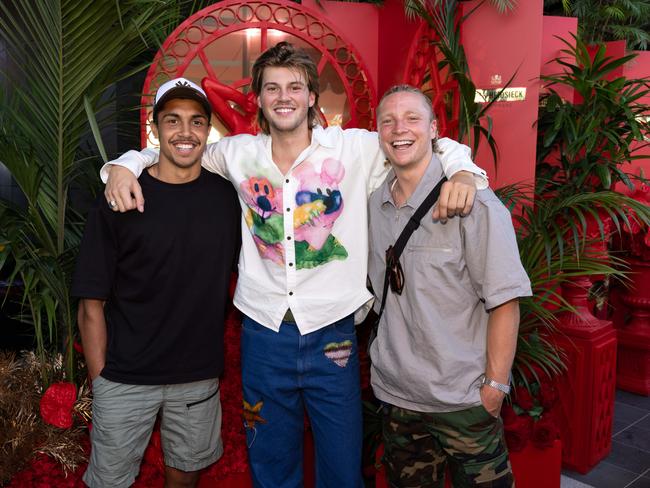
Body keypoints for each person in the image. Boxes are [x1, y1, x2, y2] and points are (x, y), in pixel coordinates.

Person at [101, 42, 488, 488]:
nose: (284, 96)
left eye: (295, 87)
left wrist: (462, 173)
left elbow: (427, 144)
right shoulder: (236, 153)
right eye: (272, 88)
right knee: (271, 463)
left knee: (343, 469)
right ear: (260, 99)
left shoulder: (354, 150)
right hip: (264, 334)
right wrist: (125, 165)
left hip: (334, 334)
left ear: (310, 98)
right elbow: (175, 151)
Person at [72, 78, 240, 488]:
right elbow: (89, 303)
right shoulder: (121, 196)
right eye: (173, 120)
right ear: (155, 129)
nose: (185, 132)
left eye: (197, 121)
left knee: (185, 475)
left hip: (197, 376)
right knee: (109, 482)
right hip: (125, 376)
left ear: (208, 131)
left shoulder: (229, 198)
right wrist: (102, 382)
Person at [368, 84, 532, 487]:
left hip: (463, 401)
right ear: (378, 133)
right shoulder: (374, 205)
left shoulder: (474, 203)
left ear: (434, 130)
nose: (398, 129)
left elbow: (505, 301)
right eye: (387, 120)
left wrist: (494, 387)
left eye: (411, 119)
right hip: (397, 399)